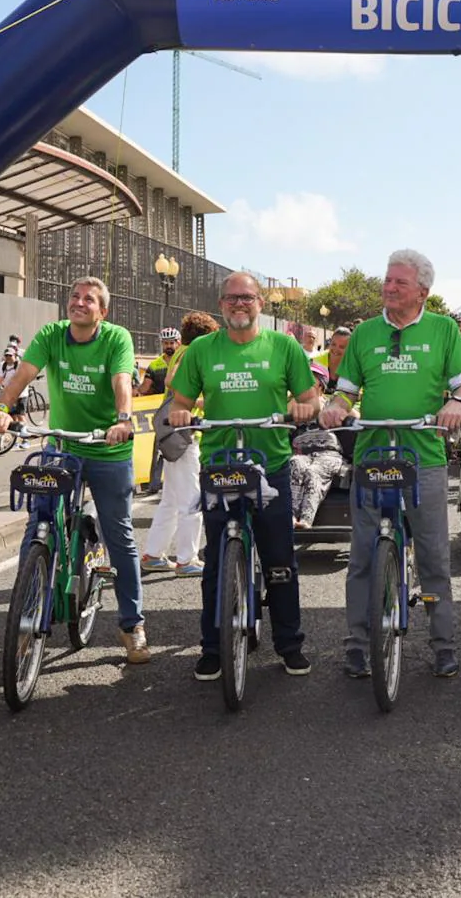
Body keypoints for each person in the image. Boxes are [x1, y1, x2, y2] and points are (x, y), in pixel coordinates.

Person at [319, 249, 461, 678]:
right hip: (372, 455)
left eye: (399, 283)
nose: (388, 288)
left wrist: (455, 404)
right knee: (363, 557)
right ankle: (356, 644)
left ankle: (443, 645)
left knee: (434, 557)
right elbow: (345, 391)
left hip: (424, 455)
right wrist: (336, 405)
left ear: (422, 291)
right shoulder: (366, 333)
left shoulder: (444, 330)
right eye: (387, 281)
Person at [0, 276, 149, 664]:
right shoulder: (53, 335)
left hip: (107, 448)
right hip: (61, 447)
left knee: (120, 537)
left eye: (89, 300)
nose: (79, 303)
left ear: (103, 312)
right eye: (75, 296)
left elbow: (121, 381)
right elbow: (23, 373)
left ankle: (132, 626)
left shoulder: (116, 339)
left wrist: (124, 419)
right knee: (38, 525)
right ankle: (28, 607)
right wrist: (2, 407)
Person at [168, 273, 318, 680]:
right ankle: (213, 648)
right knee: (217, 561)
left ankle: (289, 645)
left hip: (270, 464)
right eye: (232, 298)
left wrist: (304, 407)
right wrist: (181, 411)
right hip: (220, 465)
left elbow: (309, 397)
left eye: (247, 298)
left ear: (260, 305)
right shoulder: (201, 349)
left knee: (280, 561)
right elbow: (180, 399)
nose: (240, 304)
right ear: (221, 304)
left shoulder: (284, 346)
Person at [141, 310, 219, 576]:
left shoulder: (179, 350)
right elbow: (175, 381)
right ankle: (187, 559)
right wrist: (200, 402)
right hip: (186, 434)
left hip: (173, 434)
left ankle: (153, 554)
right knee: (191, 500)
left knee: (171, 500)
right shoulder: (193, 351)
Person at [289, 362, 347, 529]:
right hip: (302, 453)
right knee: (295, 465)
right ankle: (291, 517)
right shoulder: (294, 404)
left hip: (328, 453)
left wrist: (341, 410)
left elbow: (354, 415)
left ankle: (306, 519)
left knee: (314, 472)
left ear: (321, 387)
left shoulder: (330, 403)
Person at [0, 345, 29, 448]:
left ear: (15, 355)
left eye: (10, 356)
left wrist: (15, 393)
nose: (8, 358)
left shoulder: (19, 365)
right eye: (6, 356)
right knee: (13, 418)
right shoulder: (2, 365)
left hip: (21, 394)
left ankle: (25, 440)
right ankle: (15, 441)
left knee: (21, 417)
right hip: (9, 394)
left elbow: (21, 379)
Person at [140, 328, 180, 396]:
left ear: (178, 343)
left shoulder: (184, 361)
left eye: (171, 343)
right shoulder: (154, 365)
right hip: (160, 404)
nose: (169, 346)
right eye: (166, 343)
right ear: (162, 343)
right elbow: (145, 387)